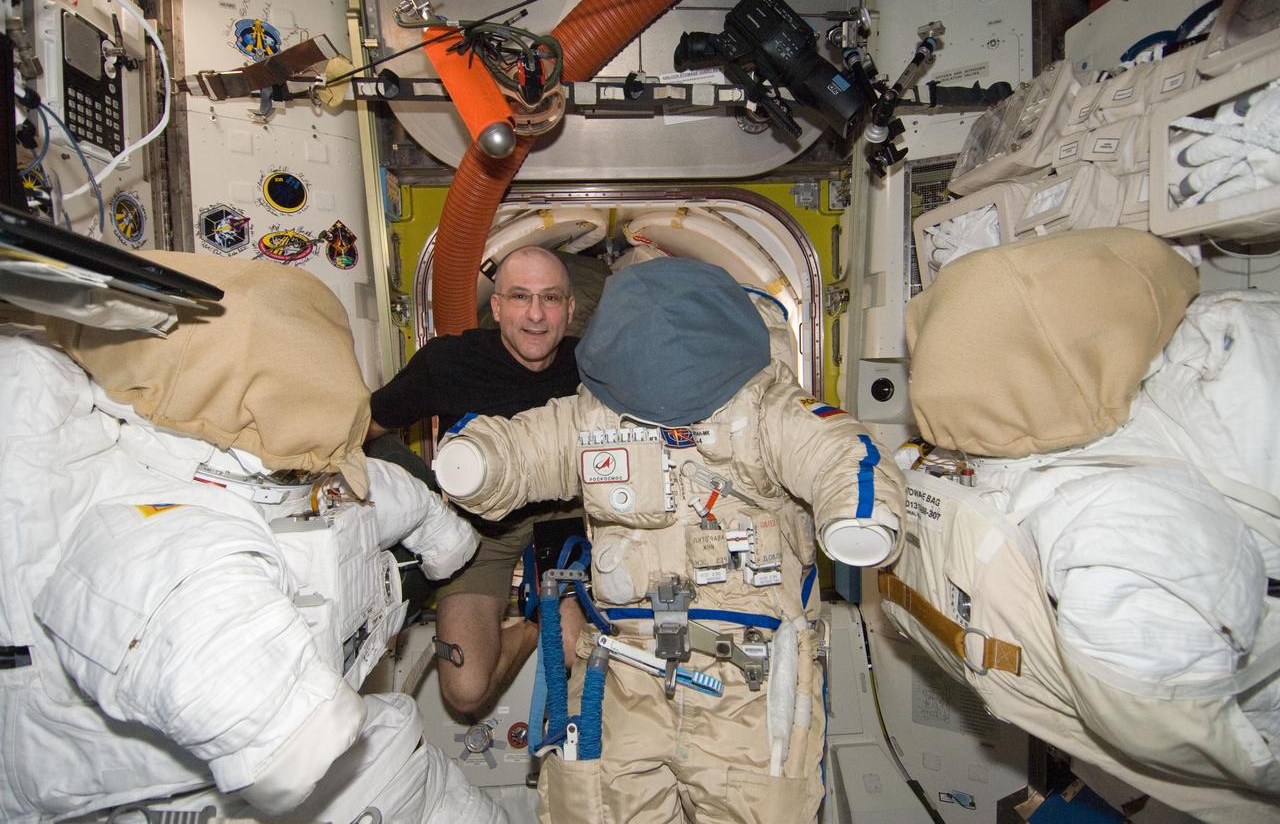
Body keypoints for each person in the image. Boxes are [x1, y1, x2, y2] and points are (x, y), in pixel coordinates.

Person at [2, 250, 504, 823]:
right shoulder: (166, 527)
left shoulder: (291, 473)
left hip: (361, 744)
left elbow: (370, 498)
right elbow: (186, 611)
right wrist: (287, 727)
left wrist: (445, 537)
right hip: (238, 772)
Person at [431, 257, 905, 824]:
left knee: (753, 806)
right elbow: (531, 445)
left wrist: (858, 513)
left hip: (747, 681)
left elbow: (841, 453)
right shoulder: (601, 413)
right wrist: (481, 462)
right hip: (625, 668)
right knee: (602, 806)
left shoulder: (766, 408)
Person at [368, 245, 586, 715]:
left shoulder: (592, 366)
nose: (535, 314)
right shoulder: (451, 362)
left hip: (566, 520)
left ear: (569, 309)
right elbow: (366, 427)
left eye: (550, 298)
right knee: (465, 691)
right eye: (520, 296)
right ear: (497, 306)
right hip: (482, 531)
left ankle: (554, 617)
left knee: (576, 648)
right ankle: (531, 626)